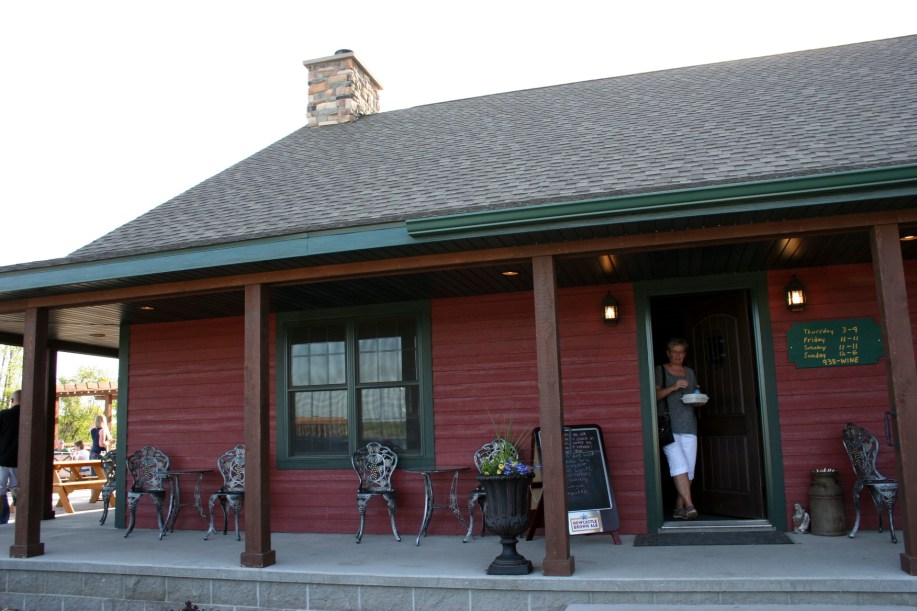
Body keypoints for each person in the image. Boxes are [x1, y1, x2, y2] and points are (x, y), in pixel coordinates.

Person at [655, 338, 700, 521]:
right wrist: (673, 387)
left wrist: (698, 401)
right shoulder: (660, 370)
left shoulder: (689, 372)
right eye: (675, 352)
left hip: (689, 424)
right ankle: (690, 505)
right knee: (678, 465)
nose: (678, 355)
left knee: (689, 469)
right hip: (668, 425)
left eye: (681, 352)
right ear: (668, 353)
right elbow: (655, 395)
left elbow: (694, 394)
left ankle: (678, 507)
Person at [0, 390, 22, 524]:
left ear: (12, 400)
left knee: (0, 489)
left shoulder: (3, 415)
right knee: (17, 489)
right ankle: (21, 519)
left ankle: (2, 519)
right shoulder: (28, 415)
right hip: (20, 461)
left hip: (2, 458)